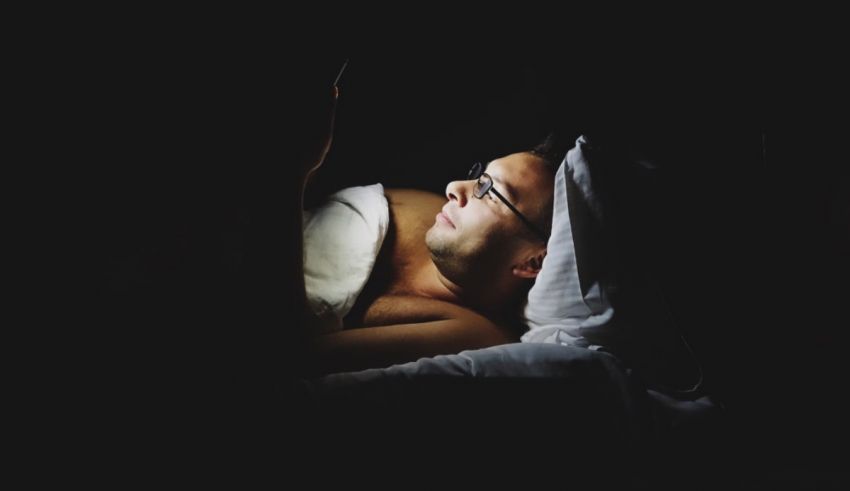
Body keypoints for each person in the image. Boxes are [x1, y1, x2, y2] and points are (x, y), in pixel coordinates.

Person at [293, 86, 562, 375]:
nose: (454, 188)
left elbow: (295, 357)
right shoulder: (435, 214)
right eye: (479, 177)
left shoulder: (475, 334)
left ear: (532, 262)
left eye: (491, 192)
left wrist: (292, 175)